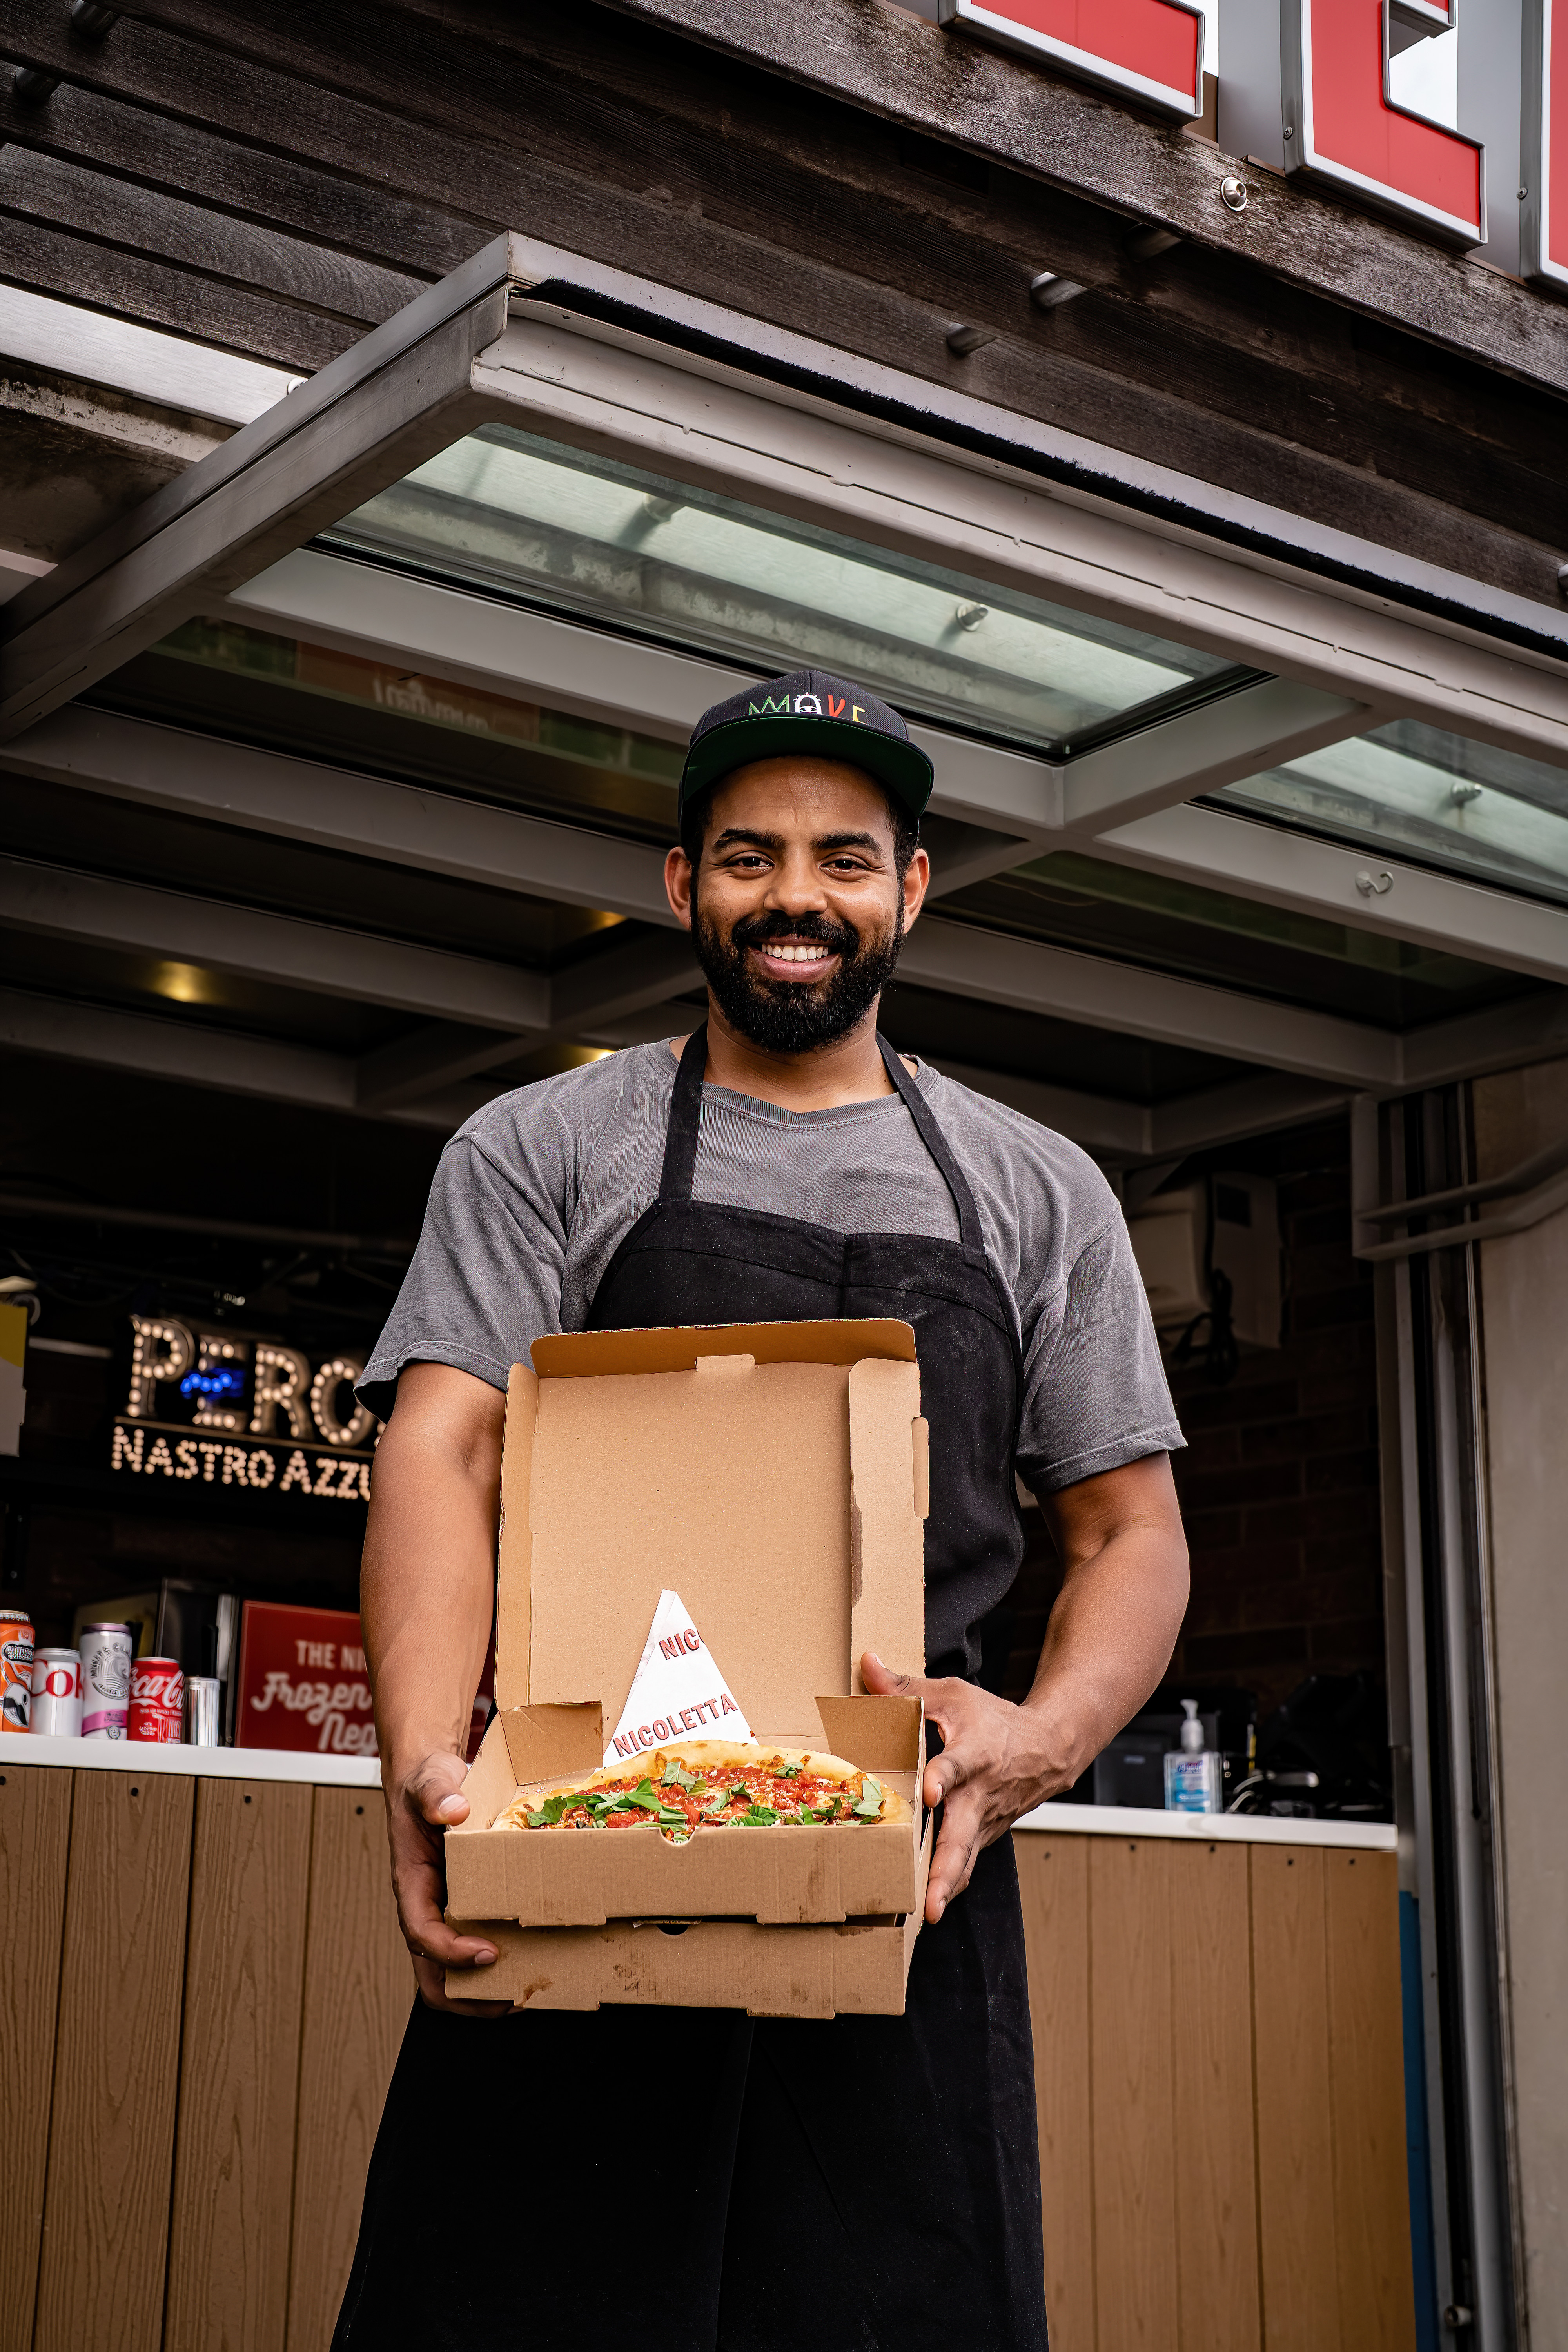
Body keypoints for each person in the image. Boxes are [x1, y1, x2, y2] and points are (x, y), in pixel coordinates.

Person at [334, 668, 1189, 2352]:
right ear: (682, 887)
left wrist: (1039, 1740)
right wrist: (422, 1773)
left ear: (909, 891)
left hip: (904, 1877)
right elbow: (445, 1453)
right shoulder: (543, 1145)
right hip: (578, 1846)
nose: (795, 896)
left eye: (843, 858)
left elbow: (1128, 1534)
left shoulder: (1037, 1189)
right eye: (747, 855)